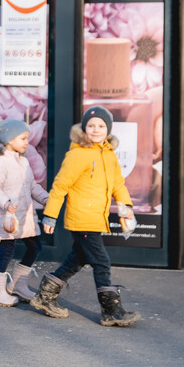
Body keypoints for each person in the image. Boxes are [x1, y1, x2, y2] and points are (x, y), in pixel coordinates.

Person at [34, 105, 141, 327]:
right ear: (84, 129)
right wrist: (50, 216)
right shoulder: (78, 155)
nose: (96, 129)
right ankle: (111, 311)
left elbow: (118, 184)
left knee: (77, 259)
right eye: (91, 125)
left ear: (108, 130)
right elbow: (60, 186)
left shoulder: (108, 155)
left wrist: (126, 205)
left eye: (101, 125)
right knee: (101, 261)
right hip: (82, 218)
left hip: (95, 217)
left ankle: (44, 296)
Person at [0, 118, 48, 307]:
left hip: (25, 215)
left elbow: (32, 186)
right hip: (9, 217)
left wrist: (46, 199)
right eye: (23, 138)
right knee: (7, 251)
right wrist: (5, 203)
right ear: (10, 139)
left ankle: (18, 285)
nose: (27, 142)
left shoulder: (24, 161)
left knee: (35, 247)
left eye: (27, 138)